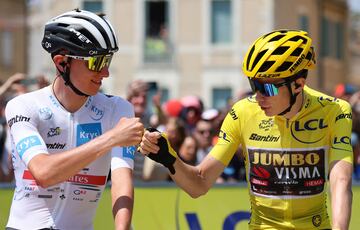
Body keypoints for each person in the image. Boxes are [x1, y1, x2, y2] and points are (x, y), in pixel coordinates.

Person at [139, 30, 353, 229]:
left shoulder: (334, 111)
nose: (258, 96)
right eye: (254, 85)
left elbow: (341, 181)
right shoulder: (242, 112)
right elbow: (199, 184)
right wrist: (169, 158)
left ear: (298, 85)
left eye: (266, 88)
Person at [5, 9, 143, 230]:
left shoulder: (118, 109)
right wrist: (111, 139)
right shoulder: (23, 106)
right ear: (62, 63)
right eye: (96, 62)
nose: (105, 72)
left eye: (107, 60)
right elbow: (43, 173)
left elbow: (121, 181)